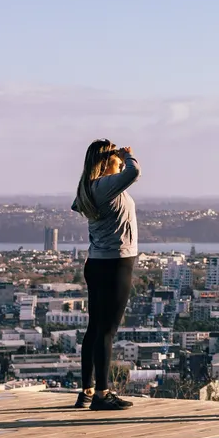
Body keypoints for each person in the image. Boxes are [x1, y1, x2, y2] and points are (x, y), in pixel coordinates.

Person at [71, 139, 141, 411]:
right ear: (104, 161)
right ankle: (102, 393)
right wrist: (129, 157)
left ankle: (87, 390)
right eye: (114, 154)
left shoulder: (90, 188)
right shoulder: (104, 186)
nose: (120, 156)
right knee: (107, 331)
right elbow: (134, 173)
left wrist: (119, 159)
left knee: (95, 329)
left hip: (98, 262)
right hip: (116, 264)